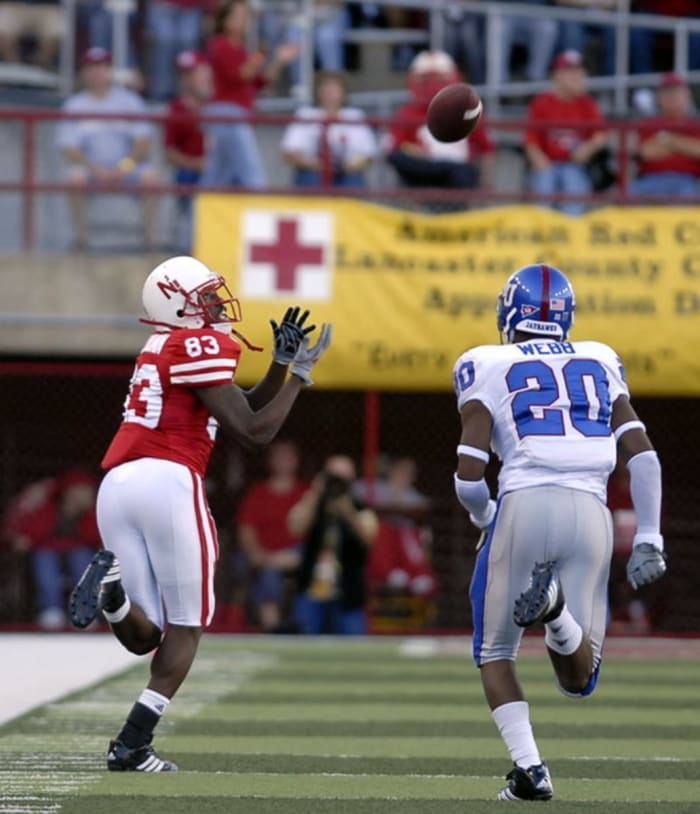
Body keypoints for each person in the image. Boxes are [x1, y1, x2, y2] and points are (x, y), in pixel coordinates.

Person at [67, 256, 332, 771]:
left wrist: (278, 365)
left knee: (145, 637)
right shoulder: (195, 343)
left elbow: (241, 406)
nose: (214, 304)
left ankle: (113, 596)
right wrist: (298, 377)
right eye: (204, 298)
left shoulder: (160, 345)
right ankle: (131, 745)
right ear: (178, 305)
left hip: (118, 485)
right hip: (168, 480)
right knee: (188, 628)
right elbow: (255, 432)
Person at [451, 262, 667, 801]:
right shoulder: (599, 358)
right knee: (579, 678)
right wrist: (650, 536)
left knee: (496, 652)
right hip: (592, 510)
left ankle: (531, 770)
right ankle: (557, 614)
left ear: (509, 312)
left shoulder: (486, 361)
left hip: (523, 502)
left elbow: (468, 472)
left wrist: (485, 518)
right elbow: (642, 455)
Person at [56, 47, 161, 251]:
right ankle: (81, 240)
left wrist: (124, 167)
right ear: (83, 72)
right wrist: (97, 170)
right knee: (74, 178)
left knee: (151, 177)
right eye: (92, 68)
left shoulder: (129, 101)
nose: (97, 73)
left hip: (126, 167)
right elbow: (69, 149)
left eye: (102, 67)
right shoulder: (75, 105)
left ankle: (151, 242)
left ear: (110, 70)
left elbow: (144, 142)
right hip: (92, 170)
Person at [199, 0, 299, 189]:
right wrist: (260, 55)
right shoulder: (220, 44)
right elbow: (241, 74)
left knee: (217, 176)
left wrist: (279, 59)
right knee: (251, 173)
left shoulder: (242, 50)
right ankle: (262, 210)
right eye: (237, 16)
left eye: (245, 16)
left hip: (237, 114)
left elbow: (262, 81)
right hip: (226, 114)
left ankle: (195, 215)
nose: (243, 21)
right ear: (224, 20)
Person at [385, 50, 496, 199]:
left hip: (457, 172)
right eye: (426, 79)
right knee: (398, 158)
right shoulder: (407, 113)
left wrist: (486, 182)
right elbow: (395, 149)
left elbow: (486, 149)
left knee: (460, 172)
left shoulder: (468, 110)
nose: (433, 85)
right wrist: (415, 151)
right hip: (424, 170)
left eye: (439, 78)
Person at [288, 454, 378, 635]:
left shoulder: (361, 507)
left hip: (348, 590)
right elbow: (294, 528)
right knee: (303, 638)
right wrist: (315, 493)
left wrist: (347, 511)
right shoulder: (313, 504)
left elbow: (369, 539)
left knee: (354, 643)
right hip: (312, 588)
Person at [3, 470, 99, 629]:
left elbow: (94, 537)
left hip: (77, 553)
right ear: (71, 492)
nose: (91, 494)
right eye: (85, 489)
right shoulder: (49, 507)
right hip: (49, 552)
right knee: (45, 559)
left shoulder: (90, 514)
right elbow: (31, 534)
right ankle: (51, 610)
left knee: (82, 557)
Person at [235, 440, 309, 632]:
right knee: (266, 572)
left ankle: (304, 626)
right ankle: (274, 629)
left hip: (297, 554)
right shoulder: (257, 493)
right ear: (270, 462)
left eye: (288, 457)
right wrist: (257, 554)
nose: (284, 462)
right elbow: (246, 531)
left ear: (297, 461)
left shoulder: (306, 493)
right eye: (279, 457)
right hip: (263, 554)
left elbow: (314, 529)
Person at [524, 49, 609, 215]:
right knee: (544, 182)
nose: (578, 77)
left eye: (580, 72)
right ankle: (542, 233)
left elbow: (601, 135)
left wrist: (588, 147)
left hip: (574, 164)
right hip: (547, 163)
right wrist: (542, 164)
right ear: (557, 76)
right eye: (571, 72)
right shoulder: (541, 103)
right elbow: (531, 143)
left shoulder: (587, 103)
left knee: (573, 182)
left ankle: (569, 236)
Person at [280, 70, 377, 188]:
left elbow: (368, 155)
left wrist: (348, 167)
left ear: (344, 93)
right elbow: (289, 153)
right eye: (326, 89)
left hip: (346, 172)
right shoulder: (305, 114)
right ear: (318, 92)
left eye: (335, 90)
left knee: (353, 181)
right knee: (310, 179)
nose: (330, 94)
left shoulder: (355, 116)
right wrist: (318, 165)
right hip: (312, 171)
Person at [164, 50, 212, 250]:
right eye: (184, 74)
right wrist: (198, 164)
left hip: (220, 169)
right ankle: (188, 246)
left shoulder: (218, 104)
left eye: (193, 73)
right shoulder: (176, 108)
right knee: (187, 178)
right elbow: (170, 153)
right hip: (192, 171)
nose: (188, 79)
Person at [630, 72, 700, 199]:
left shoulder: (696, 124)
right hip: (651, 180)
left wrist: (667, 139)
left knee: (689, 194)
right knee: (628, 193)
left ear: (688, 96)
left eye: (677, 92)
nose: (672, 96)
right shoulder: (649, 124)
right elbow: (646, 152)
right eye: (667, 93)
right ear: (659, 97)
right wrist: (686, 146)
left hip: (689, 180)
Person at [145, 0, 210, 101]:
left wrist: (208, 7)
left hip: (192, 6)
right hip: (161, 4)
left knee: (188, 44)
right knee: (164, 40)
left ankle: (187, 97)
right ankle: (160, 96)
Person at [497, 0, 559, 84]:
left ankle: (535, 80)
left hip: (536, 9)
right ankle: (499, 82)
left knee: (547, 28)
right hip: (504, 8)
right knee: (499, 27)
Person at [0, 0, 65, 70]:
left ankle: (39, 68)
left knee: (58, 32)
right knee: (2, 30)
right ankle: (15, 68)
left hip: (49, 7)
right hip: (13, 6)